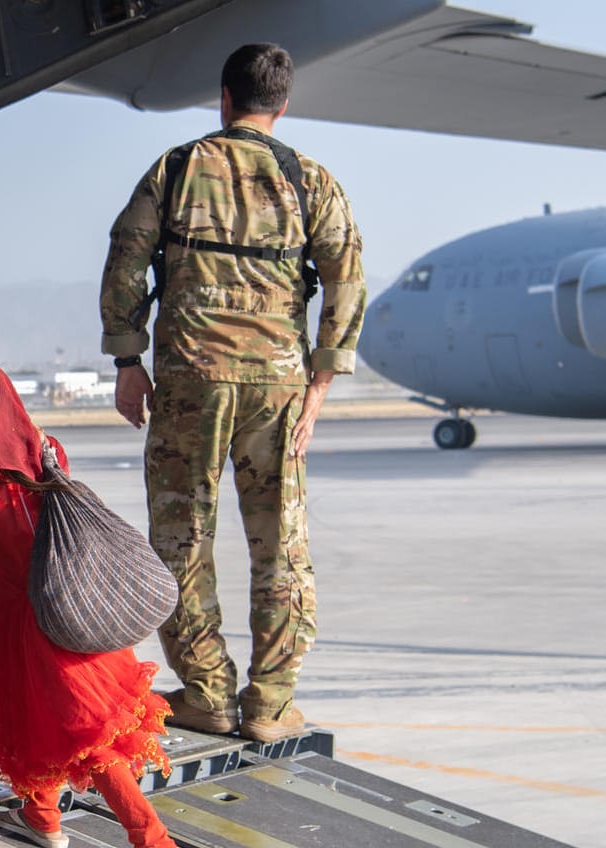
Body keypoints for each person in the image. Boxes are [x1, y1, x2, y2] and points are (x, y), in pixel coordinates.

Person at [101, 43, 365, 743]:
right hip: (275, 386)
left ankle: (206, 692)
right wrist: (320, 382)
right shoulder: (310, 179)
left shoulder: (176, 167)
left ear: (222, 98)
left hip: (189, 380)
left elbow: (127, 256)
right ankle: (270, 704)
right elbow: (345, 280)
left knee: (181, 541)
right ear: (281, 105)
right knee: (280, 545)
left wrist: (127, 360)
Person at [0, 365, 196, 848]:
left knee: (85, 734)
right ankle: (41, 815)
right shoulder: (44, 449)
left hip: (33, 624)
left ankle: (152, 841)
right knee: (40, 719)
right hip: (73, 611)